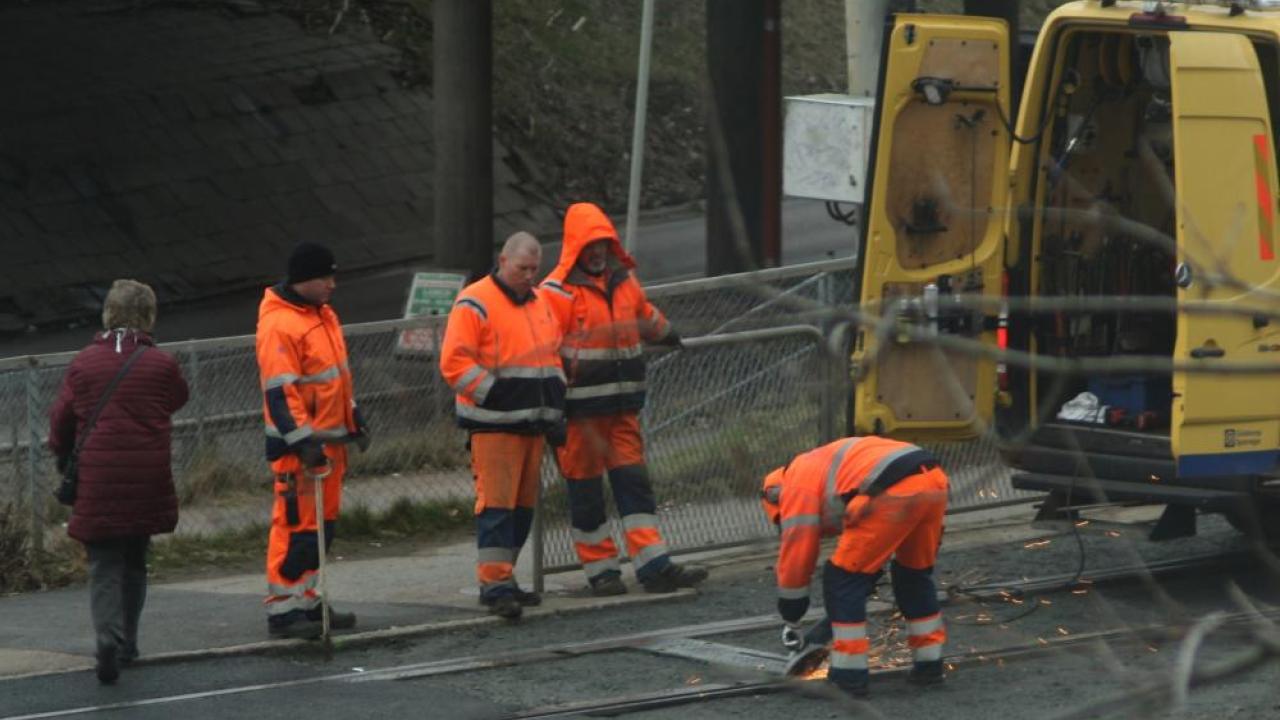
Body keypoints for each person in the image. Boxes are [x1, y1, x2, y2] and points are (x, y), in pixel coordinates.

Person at [540, 202, 707, 596]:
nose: (597, 251)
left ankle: (653, 566)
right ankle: (602, 571)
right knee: (585, 494)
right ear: (574, 247)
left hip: (622, 409)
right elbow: (544, 354)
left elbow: (645, 318)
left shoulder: (622, 282)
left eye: (603, 243)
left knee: (634, 487)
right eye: (590, 245)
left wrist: (670, 334)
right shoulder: (556, 294)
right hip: (579, 414)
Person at [49, 279, 190, 684]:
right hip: (147, 475)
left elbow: (61, 419)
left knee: (104, 563)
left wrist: (63, 454)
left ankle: (106, 640)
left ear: (108, 313)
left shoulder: (84, 363)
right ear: (149, 316)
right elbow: (178, 397)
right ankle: (129, 641)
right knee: (135, 560)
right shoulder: (161, 364)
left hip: (98, 477)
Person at [760, 436, 949, 698]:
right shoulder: (822, 466)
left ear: (775, 497)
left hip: (888, 491)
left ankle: (848, 678)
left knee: (842, 579)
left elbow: (797, 554)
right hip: (934, 480)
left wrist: (792, 614)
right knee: (913, 575)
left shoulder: (794, 488)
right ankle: (930, 666)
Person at [439, 232, 566, 620]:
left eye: (534, 269)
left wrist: (555, 409)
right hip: (494, 425)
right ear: (503, 261)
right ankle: (494, 584)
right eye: (523, 268)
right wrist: (497, 394)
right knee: (497, 506)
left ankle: (503, 579)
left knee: (521, 508)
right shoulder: (475, 301)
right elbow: (455, 364)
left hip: (530, 424)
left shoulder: (538, 301)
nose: (530, 276)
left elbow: (551, 358)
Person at [255, 241, 370, 639]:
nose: (332, 284)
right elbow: (280, 394)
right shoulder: (281, 325)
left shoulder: (320, 315)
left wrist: (353, 418)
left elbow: (335, 378)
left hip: (325, 445)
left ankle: (306, 600)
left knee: (319, 529)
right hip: (302, 451)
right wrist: (304, 444)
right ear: (305, 280)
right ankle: (284, 610)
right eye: (326, 277)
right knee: (297, 530)